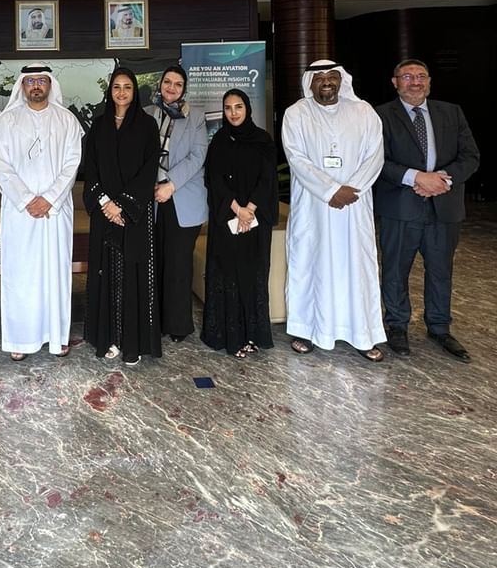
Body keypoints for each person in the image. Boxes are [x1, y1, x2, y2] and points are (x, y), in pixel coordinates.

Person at [374, 59, 480, 362]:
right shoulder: (379, 115)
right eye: (407, 76)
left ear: (430, 81)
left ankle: (439, 328)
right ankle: (397, 326)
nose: (415, 82)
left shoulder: (451, 112)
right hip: (399, 207)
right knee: (395, 270)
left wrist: (440, 180)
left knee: (441, 271)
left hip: (444, 208)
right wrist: (416, 178)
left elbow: (471, 156)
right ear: (395, 82)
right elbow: (375, 160)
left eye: (421, 76)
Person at [281, 60, 386, 362]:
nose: (326, 82)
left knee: (357, 268)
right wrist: (330, 190)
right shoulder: (296, 114)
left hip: (353, 206)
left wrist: (352, 189)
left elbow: (375, 156)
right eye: (320, 78)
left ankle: (362, 333)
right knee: (310, 264)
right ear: (310, 83)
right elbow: (296, 158)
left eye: (332, 77)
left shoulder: (364, 112)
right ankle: (306, 330)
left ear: (342, 80)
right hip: (314, 206)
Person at [0, 64, 83, 360]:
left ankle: (57, 337)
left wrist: (50, 199)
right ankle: (20, 339)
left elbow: (72, 163)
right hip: (20, 212)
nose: (35, 86)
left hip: (55, 212)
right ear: (22, 85)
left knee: (55, 273)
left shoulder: (67, 120)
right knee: (21, 274)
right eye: (30, 81)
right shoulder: (6, 121)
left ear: (50, 84)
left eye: (41, 81)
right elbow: (2, 167)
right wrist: (27, 200)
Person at [83, 67, 161, 365]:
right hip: (104, 213)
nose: (122, 92)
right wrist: (106, 203)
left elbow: (149, 168)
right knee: (105, 274)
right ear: (110, 91)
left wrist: (123, 205)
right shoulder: (99, 125)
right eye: (117, 87)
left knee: (132, 275)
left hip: (133, 214)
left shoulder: (147, 125)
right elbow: (91, 168)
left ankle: (132, 343)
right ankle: (109, 339)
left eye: (127, 87)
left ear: (134, 91)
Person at [201, 89, 278, 359]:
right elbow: (214, 179)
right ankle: (230, 337)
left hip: (255, 223)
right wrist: (236, 209)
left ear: (247, 109)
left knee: (253, 276)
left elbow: (268, 179)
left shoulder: (263, 140)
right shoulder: (219, 141)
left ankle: (252, 335)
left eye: (238, 107)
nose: (233, 113)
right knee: (228, 276)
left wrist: (250, 210)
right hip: (227, 221)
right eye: (228, 108)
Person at [145, 65, 208, 342]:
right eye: (167, 82)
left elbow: (198, 156)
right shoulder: (147, 113)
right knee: (155, 261)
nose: (171, 87)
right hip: (152, 198)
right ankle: (156, 321)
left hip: (183, 198)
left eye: (178, 84)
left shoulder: (195, 117)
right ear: (160, 84)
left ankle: (178, 325)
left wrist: (170, 185)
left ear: (184, 89)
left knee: (179, 265)